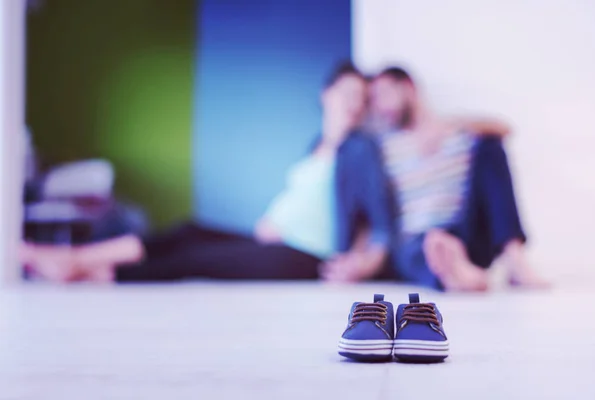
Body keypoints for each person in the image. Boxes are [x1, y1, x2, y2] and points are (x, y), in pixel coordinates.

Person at [20, 63, 393, 283]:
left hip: (306, 256)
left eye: (361, 100)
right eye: (347, 94)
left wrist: (360, 266)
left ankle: (91, 272)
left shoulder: (360, 149)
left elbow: (378, 221)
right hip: (274, 241)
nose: (354, 106)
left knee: (197, 259)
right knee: (190, 230)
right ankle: (81, 258)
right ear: (325, 94)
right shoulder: (316, 147)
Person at [366, 66, 548, 291]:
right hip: (419, 236)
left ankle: (514, 259)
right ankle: (452, 273)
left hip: (464, 232)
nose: (380, 107)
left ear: (408, 88)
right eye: (373, 101)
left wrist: (448, 126)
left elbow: (505, 128)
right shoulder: (385, 146)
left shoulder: (459, 132)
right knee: (415, 251)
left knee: (491, 146)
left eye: (383, 95)